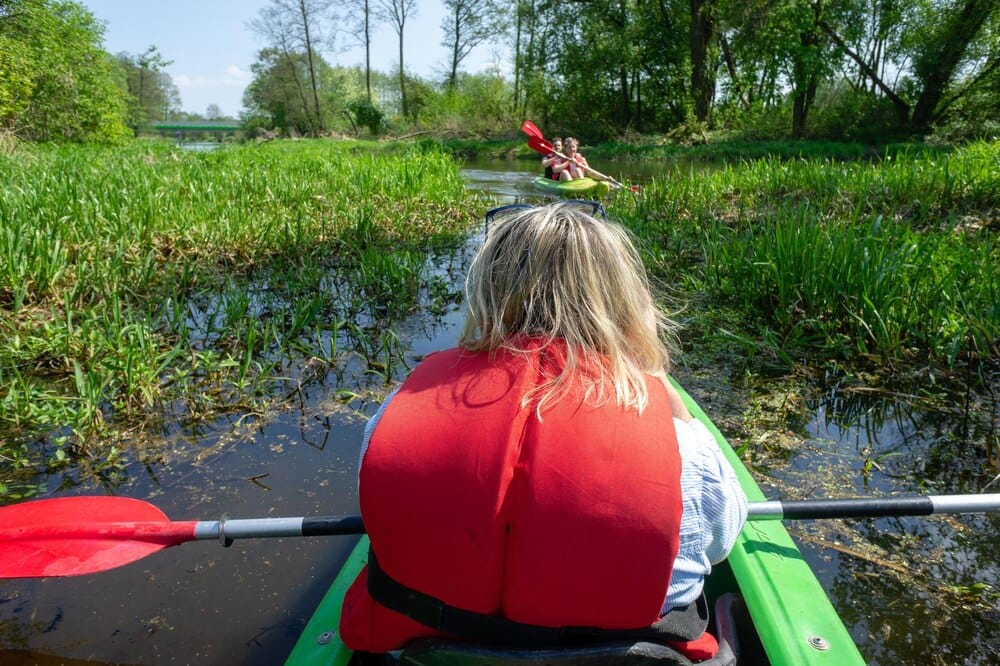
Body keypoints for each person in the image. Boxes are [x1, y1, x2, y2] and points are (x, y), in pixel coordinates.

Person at [339, 202, 747, 658]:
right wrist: (667, 396)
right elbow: (721, 542)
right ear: (625, 301)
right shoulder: (684, 452)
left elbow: (378, 513)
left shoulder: (398, 414)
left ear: (488, 293)